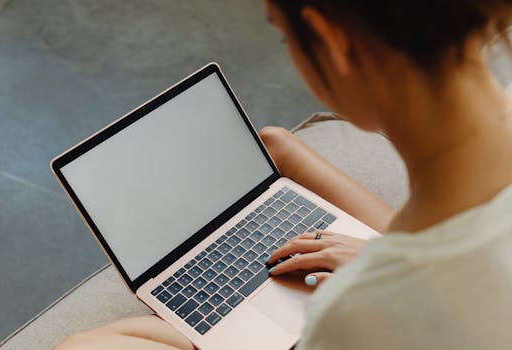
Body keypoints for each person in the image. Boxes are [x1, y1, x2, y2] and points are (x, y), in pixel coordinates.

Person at [56, 0, 512, 349]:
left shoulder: (358, 315)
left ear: (331, 39)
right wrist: (379, 255)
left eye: (283, 37)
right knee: (275, 145)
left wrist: (379, 272)